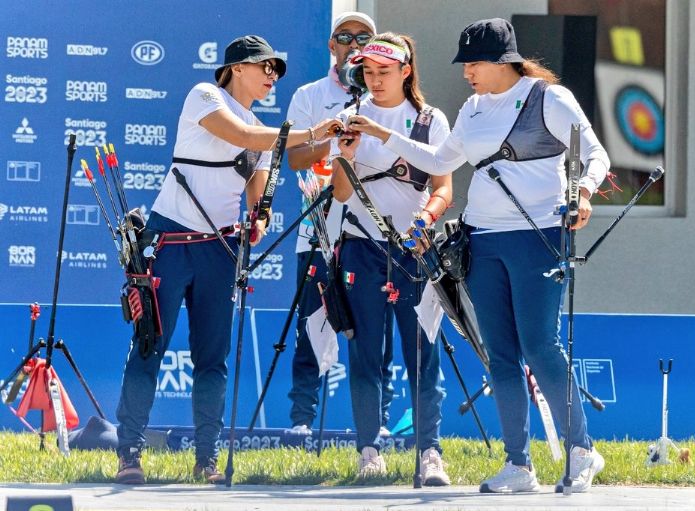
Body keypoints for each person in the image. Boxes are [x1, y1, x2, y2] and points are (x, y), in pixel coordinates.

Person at [346, 18, 610, 493]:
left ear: (503, 61)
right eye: (465, 63)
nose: (467, 72)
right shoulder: (471, 108)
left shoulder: (547, 97)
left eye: (474, 63)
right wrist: (380, 135)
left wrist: (585, 192)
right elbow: (438, 161)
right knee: (500, 354)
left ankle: (582, 450)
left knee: (539, 345)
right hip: (482, 240)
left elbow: (595, 155)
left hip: (538, 235)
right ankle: (519, 465)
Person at [114, 35, 340, 485]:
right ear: (238, 68)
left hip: (218, 250)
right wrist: (315, 132)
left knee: (212, 358)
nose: (272, 77)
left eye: (277, 71)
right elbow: (242, 136)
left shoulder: (260, 126)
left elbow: (257, 192)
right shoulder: (206, 95)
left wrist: (259, 217)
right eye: (265, 68)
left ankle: (207, 460)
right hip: (170, 243)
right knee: (149, 347)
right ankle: (129, 456)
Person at [330, 32, 453, 485]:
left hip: (412, 249)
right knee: (365, 352)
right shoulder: (349, 118)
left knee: (422, 351)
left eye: (384, 71)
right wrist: (345, 157)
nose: (375, 80)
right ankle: (369, 449)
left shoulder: (427, 120)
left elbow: (443, 187)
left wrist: (426, 217)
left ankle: (430, 452)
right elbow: (341, 194)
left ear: (406, 71)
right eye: (367, 72)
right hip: (361, 245)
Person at [285, 11, 395, 436]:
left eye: (363, 37)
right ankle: (301, 422)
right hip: (318, 228)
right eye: (344, 37)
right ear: (331, 46)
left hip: (368, 231)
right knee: (311, 326)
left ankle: (378, 422)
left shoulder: (386, 99)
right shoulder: (310, 95)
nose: (353, 43)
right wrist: (330, 136)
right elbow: (293, 159)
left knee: (373, 332)